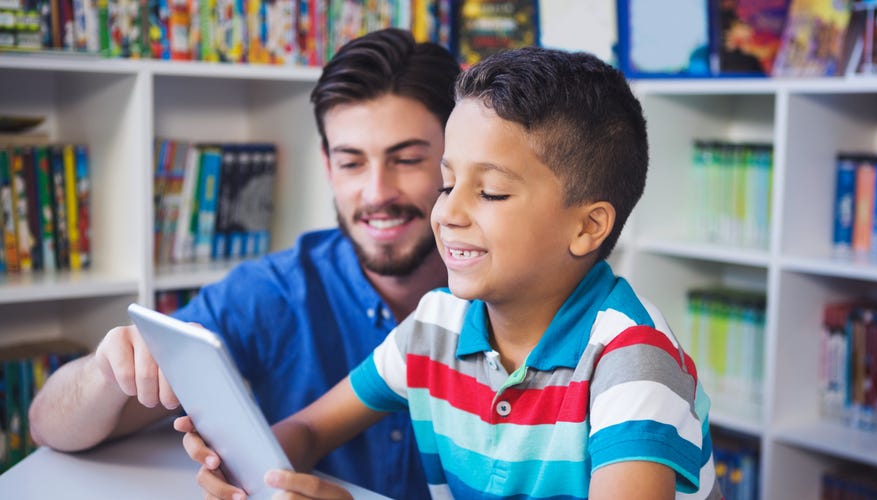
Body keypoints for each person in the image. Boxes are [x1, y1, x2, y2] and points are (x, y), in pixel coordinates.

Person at [180, 46, 723, 499]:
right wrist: (246, 463)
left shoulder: (634, 364)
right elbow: (307, 428)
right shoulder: (437, 325)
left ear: (587, 227)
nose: (448, 212)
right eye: (447, 183)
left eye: (490, 191)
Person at [27, 28, 460, 499]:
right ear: (326, 164)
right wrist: (106, 372)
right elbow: (47, 426)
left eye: (408, 159)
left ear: (455, 158)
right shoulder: (274, 291)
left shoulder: (515, 296)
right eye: (351, 163)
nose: (377, 193)